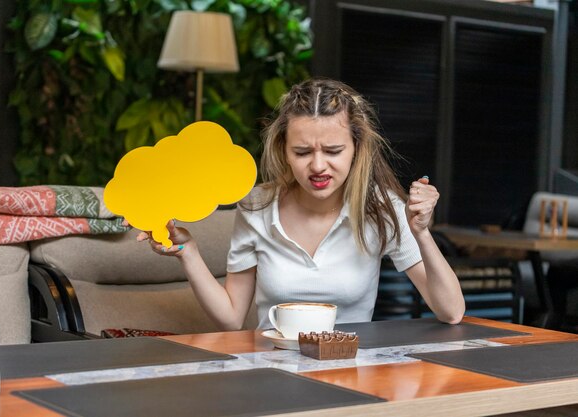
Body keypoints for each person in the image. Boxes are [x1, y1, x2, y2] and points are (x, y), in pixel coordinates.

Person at [141, 77, 465, 330]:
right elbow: (230, 319)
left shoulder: (381, 209)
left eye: (334, 151)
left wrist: (420, 232)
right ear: (284, 149)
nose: (318, 166)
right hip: (270, 370)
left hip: (349, 370)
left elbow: (451, 312)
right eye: (302, 152)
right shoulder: (256, 207)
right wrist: (189, 253)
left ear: (356, 148)